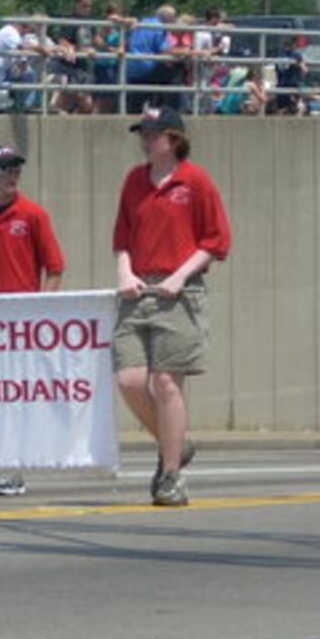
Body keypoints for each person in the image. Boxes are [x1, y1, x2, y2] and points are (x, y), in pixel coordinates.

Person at [112, 106, 231, 507]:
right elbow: (123, 238)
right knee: (129, 380)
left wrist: (179, 276)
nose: (146, 139)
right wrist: (125, 273)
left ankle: (170, 474)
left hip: (180, 292)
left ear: (174, 139)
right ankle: (174, 444)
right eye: (143, 133)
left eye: (154, 133)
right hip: (138, 291)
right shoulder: (134, 181)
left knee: (166, 382)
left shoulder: (194, 181)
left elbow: (216, 241)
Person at [0, 144, 66, 497]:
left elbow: (55, 267)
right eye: (5, 170)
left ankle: (15, 470)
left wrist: (41, 310)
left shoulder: (32, 215)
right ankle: (2, 459)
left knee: (16, 394)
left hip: (22, 321)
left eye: (16, 170)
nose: (12, 177)